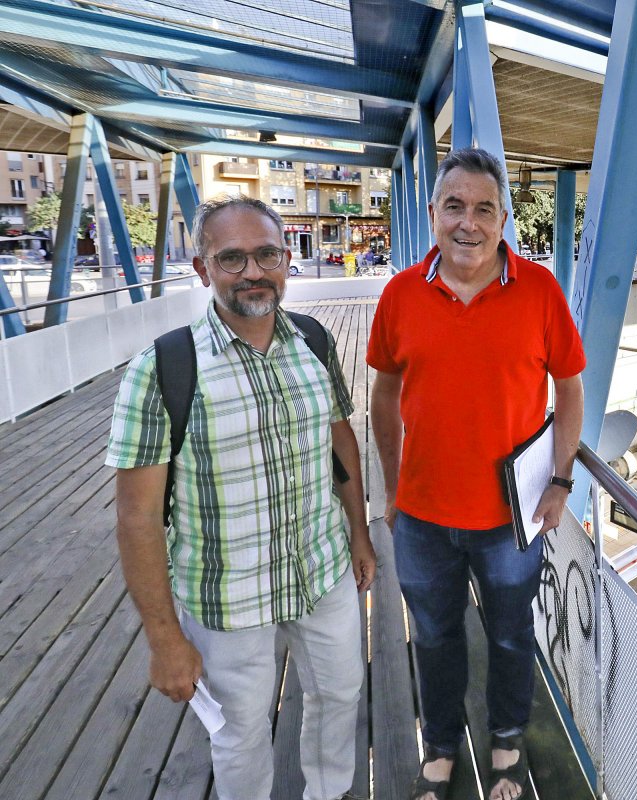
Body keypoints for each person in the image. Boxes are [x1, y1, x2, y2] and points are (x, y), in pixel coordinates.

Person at [106, 195, 375, 800]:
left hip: (321, 569)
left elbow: (340, 442)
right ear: (202, 270)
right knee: (241, 732)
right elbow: (137, 517)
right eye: (232, 259)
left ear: (286, 261)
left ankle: (327, 794)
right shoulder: (164, 368)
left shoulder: (312, 340)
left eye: (266, 255)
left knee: (340, 697)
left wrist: (359, 533)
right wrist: (164, 638)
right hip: (227, 595)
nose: (253, 271)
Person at [367, 148, 586, 800]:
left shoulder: (540, 290)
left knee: (514, 638)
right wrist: (391, 483)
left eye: (483, 209)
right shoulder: (401, 294)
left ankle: (507, 742)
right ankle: (439, 747)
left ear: (504, 219)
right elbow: (383, 395)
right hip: (424, 517)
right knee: (433, 638)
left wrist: (561, 479)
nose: (468, 223)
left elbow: (570, 391)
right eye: (454, 207)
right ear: (433, 214)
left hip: (509, 521)